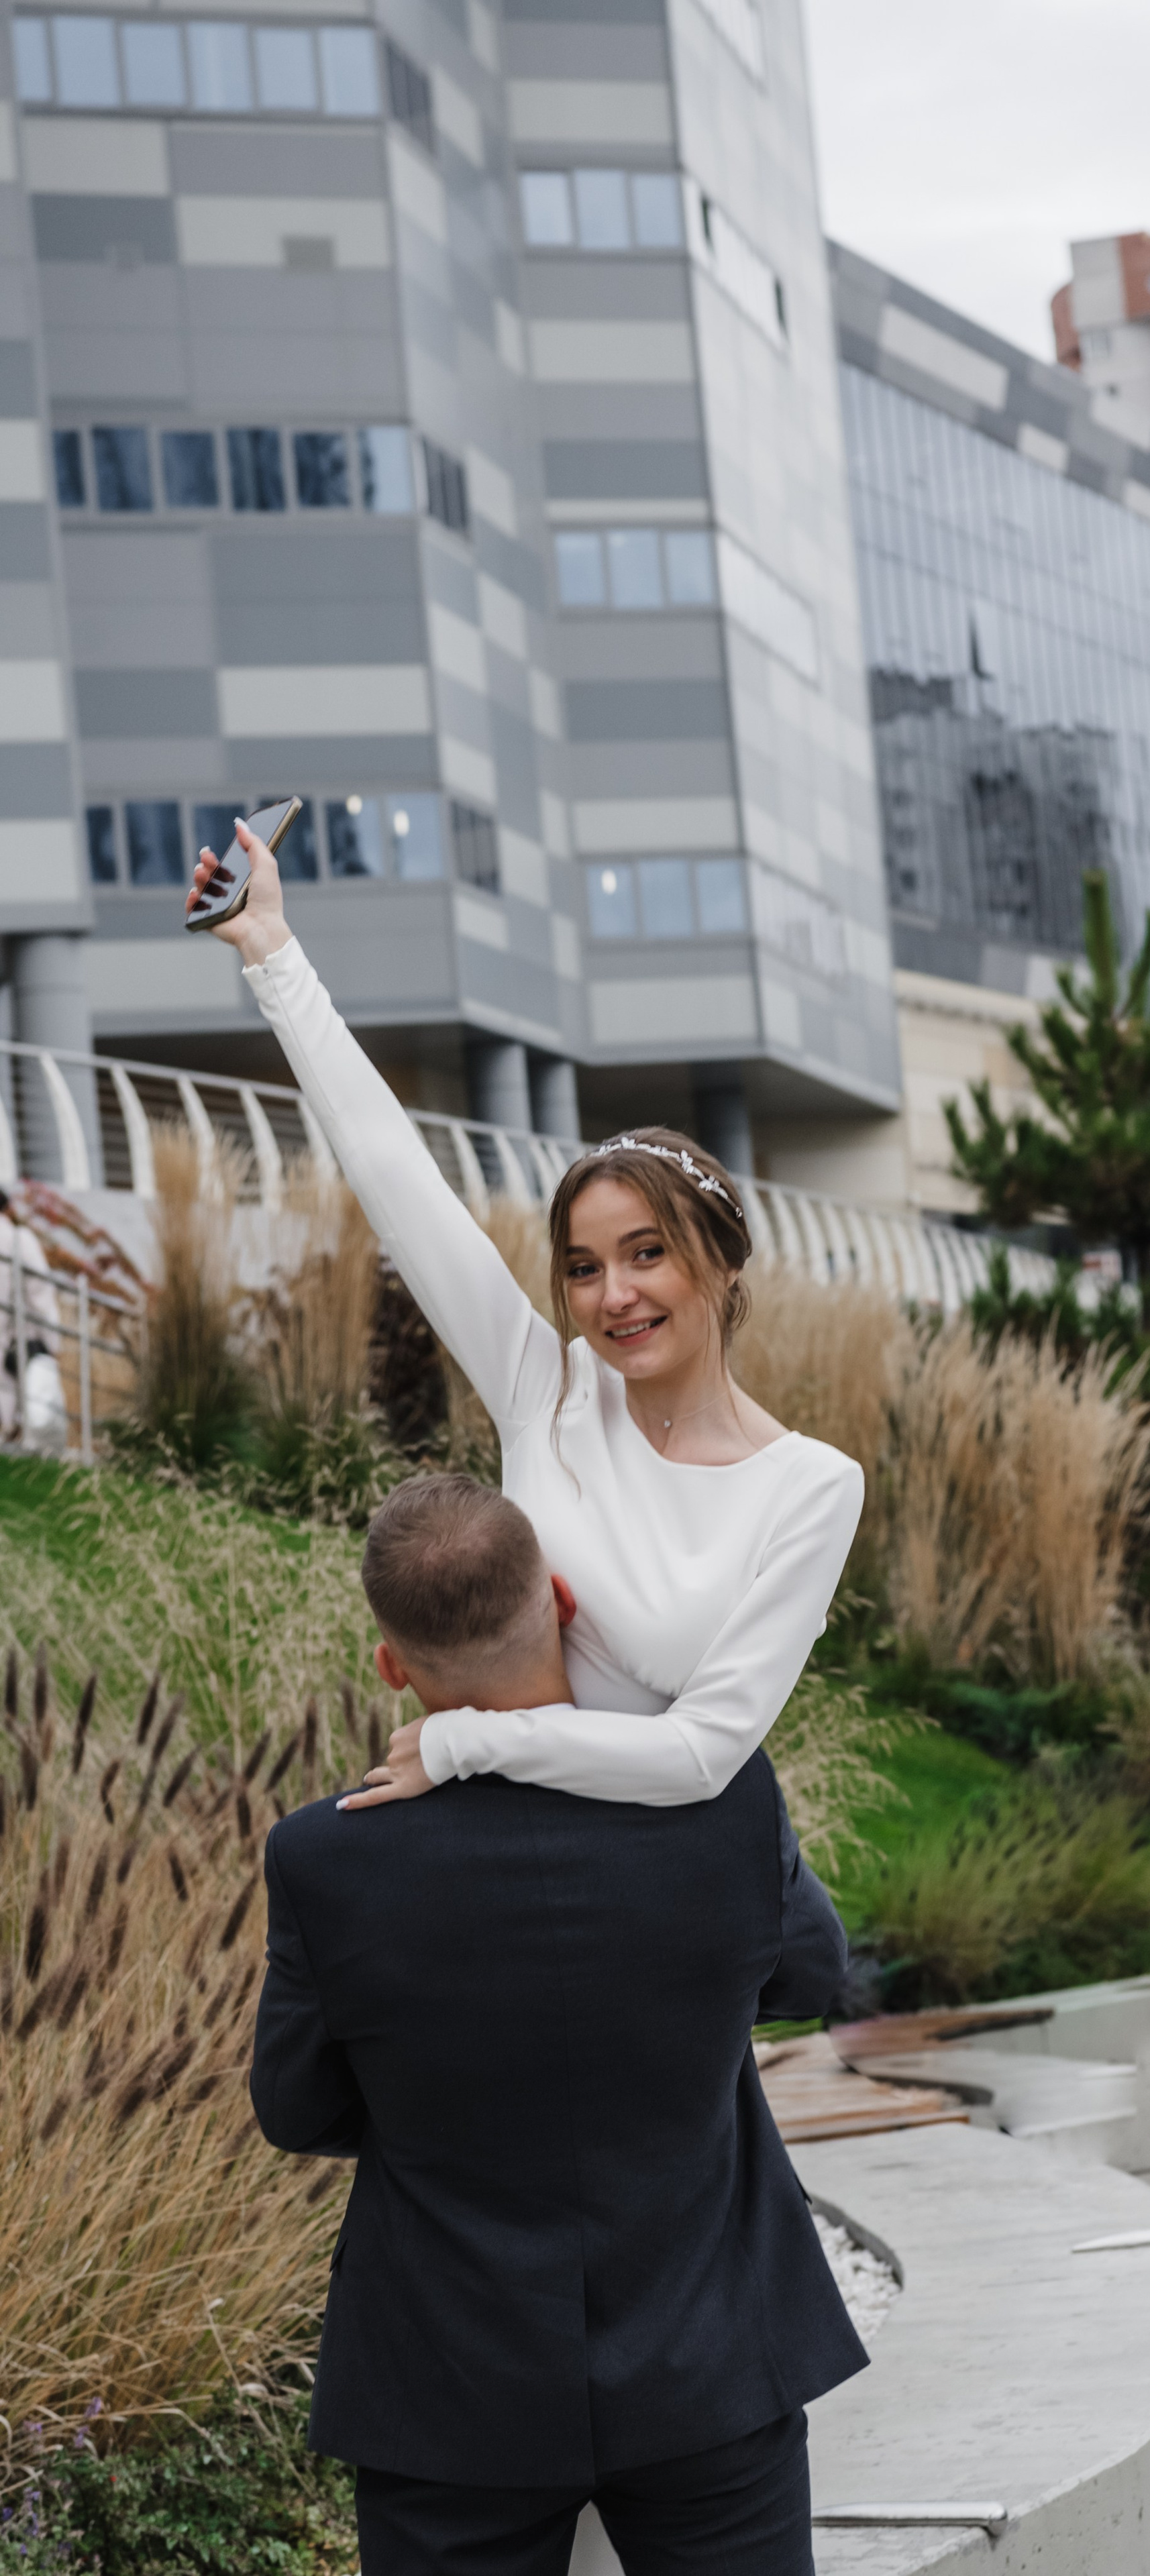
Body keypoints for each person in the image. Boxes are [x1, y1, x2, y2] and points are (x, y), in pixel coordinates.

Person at [251, 1472, 867, 2576]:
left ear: (392, 1665)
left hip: (448, 2389)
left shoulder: (323, 1858)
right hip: (712, 2359)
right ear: (568, 1605)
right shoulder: (717, 1796)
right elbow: (813, 1973)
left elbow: (296, 2108)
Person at [188, 821, 864, 1812]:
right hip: (518, 1864)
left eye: (648, 1254)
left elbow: (700, 1756)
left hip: (688, 1895)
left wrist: (466, 1742)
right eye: (582, 1268)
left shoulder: (810, 1488)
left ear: (721, 1260)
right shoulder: (545, 1388)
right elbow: (394, 1174)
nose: (612, 1296)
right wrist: (271, 951)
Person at [0, 1185, 64, 1450]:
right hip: (13, 1338)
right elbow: (40, 1293)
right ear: (8, 1208)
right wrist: (53, 1341)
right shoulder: (18, 1238)